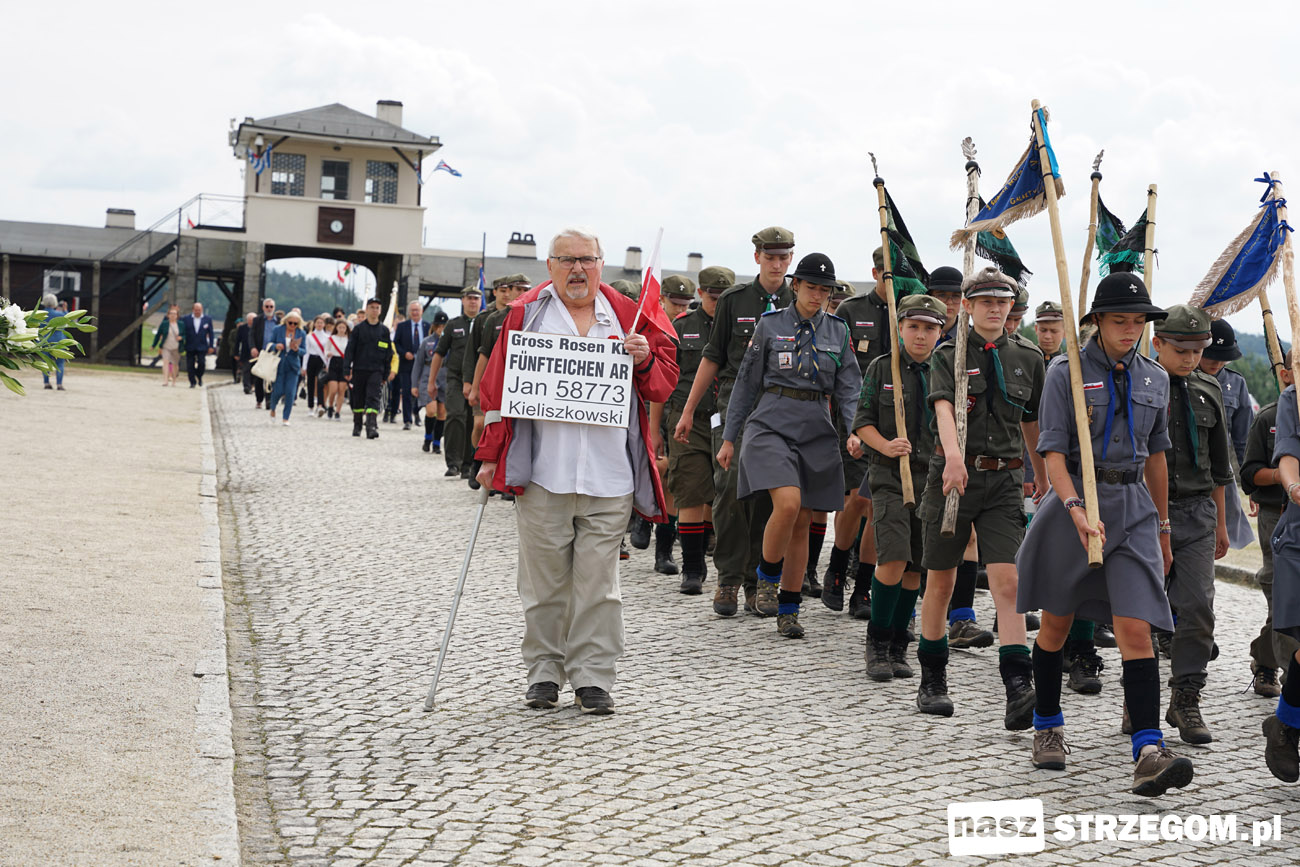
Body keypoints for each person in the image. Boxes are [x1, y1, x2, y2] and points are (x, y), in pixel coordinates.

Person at [473, 228, 679, 715]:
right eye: (567, 260)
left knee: (599, 585)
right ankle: (544, 671)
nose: (577, 270)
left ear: (601, 264)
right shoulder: (526, 315)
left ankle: (592, 677)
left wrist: (645, 360)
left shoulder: (629, 316)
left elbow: (663, 385)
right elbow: (497, 390)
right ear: (550, 266)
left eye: (586, 259)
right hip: (545, 474)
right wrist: (488, 456)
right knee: (543, 586)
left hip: (610, 479)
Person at [1015, 271, 1195, 796]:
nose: (1131, 330)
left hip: (1133, 508)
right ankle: (1047, 727)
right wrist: (1071, 505)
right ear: (1095, 321)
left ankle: (1147, 749)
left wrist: (1162, 526)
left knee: (1137, 630)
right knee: (1056, 624)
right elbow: (1052, 451)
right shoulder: (1063, 373)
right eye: (1121, 321)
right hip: (1075, 506)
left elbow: (1158, 456)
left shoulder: (1155, 378)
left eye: (1139, 322)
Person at [914, 266, 1046, 728]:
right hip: (954, 477)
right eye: (985, 301)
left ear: (1012, 307)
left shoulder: (1028, 357)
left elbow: (1032, 421)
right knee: (942, 581)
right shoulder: (948, 353)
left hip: (1005, 481)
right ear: (967, 306)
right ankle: (933, 677)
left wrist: (1043, 475)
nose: (994, 308)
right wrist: (953, 457)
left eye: (1003, 302)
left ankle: (1017, 685)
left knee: (1009, 582)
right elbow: (944, 407)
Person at [718, 253, 862, 639]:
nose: (818, 295)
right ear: (795, 285)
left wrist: (855, 430)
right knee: (788, 504)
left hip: (817, 425)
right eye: (811, 287)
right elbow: (746, 384)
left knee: (802, 521)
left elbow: (850, 389)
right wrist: (730, 437)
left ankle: (789, 608)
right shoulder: (769, 325)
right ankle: (766, 576)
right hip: (771, 421)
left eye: (825, 290)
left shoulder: (838, 331)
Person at [676, 227, 796, 618]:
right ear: (757, 257)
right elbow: (712, 356)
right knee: (729, 487)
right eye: (771, 256)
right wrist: (689, 409)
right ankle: (727, 576)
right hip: (733, 401)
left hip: (781, 403)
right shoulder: (734, 299)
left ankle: (756, 580)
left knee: (769, 491)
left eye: (784, 257)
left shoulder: (800, 299)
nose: (778, 264)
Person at [852, 294, 947, 678]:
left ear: (941, 332)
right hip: (890, 476)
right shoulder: (882, 367)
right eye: (913, 327)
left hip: (932, 479)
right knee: (891, 557)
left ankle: (898, 643)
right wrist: (886, 445)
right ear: (900, 329)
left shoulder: (947, 370)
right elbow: (862, 421)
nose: (920, 335)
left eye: (929, 328)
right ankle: (877, 641)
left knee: (915, 566)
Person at [1151, 305, 1233, 744]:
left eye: (1197, 350)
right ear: (1158, 343)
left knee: (1198, 607)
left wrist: (1220, 523)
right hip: (1146, 511)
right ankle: (1137, 698)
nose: (1189, 358)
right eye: (1181, 349)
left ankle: (1186, 698)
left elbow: (1220, 465)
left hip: (1198, 510)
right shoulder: (1142, 384)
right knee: (1144, 609)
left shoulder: (1209, 388)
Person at [820, 247, 899, 617]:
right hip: (856, 420)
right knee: (858, 501)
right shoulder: (852, 310)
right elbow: (841, 374)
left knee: (877, 506)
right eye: (886, 272)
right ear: (875, 271)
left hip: (896, 426)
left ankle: (863, 585)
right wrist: (850, 425)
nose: (893, 278)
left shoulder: (911, 313)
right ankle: (838, 567)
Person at [655, 266, 733, 594]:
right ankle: (692, 568)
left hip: (727, 419)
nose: (717, 303)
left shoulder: (742, 329)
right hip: (688, 418)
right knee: (688, 489)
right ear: (700, 294)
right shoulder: (680, 328)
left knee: (722, 494)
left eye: (723, 298)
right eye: (712, 297)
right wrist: (654, 429)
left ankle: (718, 562)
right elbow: (662, 382)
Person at [1243, 351, 1298, 698]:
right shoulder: (1272, 416)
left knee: (1286, 606)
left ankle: (1263, 657)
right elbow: (1249, 474)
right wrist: (1284, 477)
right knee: (1281, 596)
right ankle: (1290, 677)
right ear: (1285, 374)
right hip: (1276, 515)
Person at [1259, 377, 1300, 782]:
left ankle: (1285, 720)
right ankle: (1286, 725)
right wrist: (1293, 485)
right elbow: (1287, 453)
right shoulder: (1295, 395)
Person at [1198, 317, 1255, 549]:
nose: (1217, 363)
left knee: (1218, 546)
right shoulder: (1176, 378)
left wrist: (1252, 485)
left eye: (1224, 358)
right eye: (1212, 355)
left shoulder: (1236, 384)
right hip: (1184, 475)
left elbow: (1245, 442)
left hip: (1221, 475)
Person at [426, 287, 482, 477]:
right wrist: (431, 381)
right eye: (469, 298)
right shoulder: (453, 325)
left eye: (476, 298)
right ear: (463, 301)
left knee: (472, 421)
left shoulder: (485, 323)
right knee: (456, 415)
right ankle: (453, 462)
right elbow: (439, 353)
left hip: (478, 379)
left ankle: (468, 464)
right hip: (456, 378)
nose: (473, 302)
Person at [344, 298, 395, 439]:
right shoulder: (359, 329)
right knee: (358, 399)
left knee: (373, 398)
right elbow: (350, 350)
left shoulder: (384, 331)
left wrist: (386, 373)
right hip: (360, 369)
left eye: (377, 308)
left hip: (376, 370)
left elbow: (388, 354)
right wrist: (347, 369)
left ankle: (371, 426)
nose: (374, 310)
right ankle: (357, 424)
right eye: (372, 307)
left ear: (380, 311)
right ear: (367, 309)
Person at [412, 311, 447, 454]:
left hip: (444, 377)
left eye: (444, 326)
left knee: (442, 413)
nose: (441, 328)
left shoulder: (450, 343)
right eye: (439, 325)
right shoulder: (427, 342)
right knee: (431, 410)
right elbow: (418, 364)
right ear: (434, 326)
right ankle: (428, 438)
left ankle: (437, 442)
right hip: (428, 376)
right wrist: (414, 384)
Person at [266, 311, 307, 425]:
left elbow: (304, 351)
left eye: (295, 323)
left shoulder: (301, 333)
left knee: (290, 392)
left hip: (293, 366)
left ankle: (286, 417)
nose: (293, 325)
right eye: (291, 323)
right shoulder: (278, 330)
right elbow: (269, 345)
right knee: (278, 391)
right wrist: (276, 346)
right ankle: (273, 408)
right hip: (278, 364)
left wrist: (297, 349)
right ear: (286, 321)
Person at [395, 300, 429, 430]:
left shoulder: (427, 326)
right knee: (407, 392)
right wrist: (404, 354)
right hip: (406, 364)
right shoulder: (402, 326)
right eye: (413, 310)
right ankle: (407, 420)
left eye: (417, 310)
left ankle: (416, 412)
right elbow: (396, 343)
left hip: (422, 365)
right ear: (409, 312)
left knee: (420, 392)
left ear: (421, 312)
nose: (415, 313)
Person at [251, 298, 277, 408]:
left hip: (274, 353)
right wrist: (253, 347)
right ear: (263, 307)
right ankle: (259, 399)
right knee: (259, 377)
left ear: (274, 308)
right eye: (267, 306)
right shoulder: (257, 320)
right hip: (261, 352)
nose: (269, 308)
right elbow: (251, 334)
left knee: (270, 378)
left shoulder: (279, 321)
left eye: (271, 306)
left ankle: (269, 400)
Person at [182, 302, 215, 388]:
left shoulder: (207, 319)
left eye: (199, 310)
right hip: (190, 345)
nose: (197, 311)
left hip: (202, 345)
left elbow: (211, 333)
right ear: (193, 310)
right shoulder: (186, 319)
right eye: (196, 310)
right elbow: (182, 331)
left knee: (202, 363)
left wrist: (211, 346)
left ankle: (199, 376)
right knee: (190, 365)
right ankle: (192, 382)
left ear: (202, 310)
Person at [322, 318, 350, 420]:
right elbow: (326, 349)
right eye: (339, 327)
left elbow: (351, 354)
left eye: (343, 327)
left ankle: (338, 411)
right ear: (336, 328)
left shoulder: (349, 339)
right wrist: (327, 354)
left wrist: (351, 367)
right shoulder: (331, 338)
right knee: (333, 389)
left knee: (341, 390)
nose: (342, 329)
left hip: (344, 363)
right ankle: (330, 406)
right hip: (334, 362)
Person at [151, 305, 185, 386]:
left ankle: (174, 381)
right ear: (168, 315)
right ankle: (165, 380)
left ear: (177, 316)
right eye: (171, 313)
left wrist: (182, 337)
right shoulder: (164, 324)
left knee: (175, 364)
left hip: (176, 347)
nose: (173, 315)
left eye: (174, 314)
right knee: (165, 362)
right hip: (166, 346)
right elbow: (158, 334)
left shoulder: (181, 324)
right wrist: (154, 345)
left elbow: (185, 334)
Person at [305, 315, 331, 414]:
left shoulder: (328, 337)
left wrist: (328, 364)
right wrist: (304, 366)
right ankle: (310, 406)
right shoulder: (309, 336)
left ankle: (320, 405)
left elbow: (328, 351)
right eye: (318, 323)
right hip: (312, 359)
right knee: (310, 384)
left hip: (322, 360)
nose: (319, 325)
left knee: (320, 383)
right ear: (314, 324)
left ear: (324, 324)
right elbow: (306, 352)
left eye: (321, 323)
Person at [235, 312, 255, 394]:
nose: (251, 322)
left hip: (256, 353)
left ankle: (253, 384)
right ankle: (247, 386)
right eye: (250, 320)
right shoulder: (242, 328)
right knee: (246, 370)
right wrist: (236, 353)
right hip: (245, 352)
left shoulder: (258, 328)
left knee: (254, 371)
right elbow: (237, 341)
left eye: (253, 320)